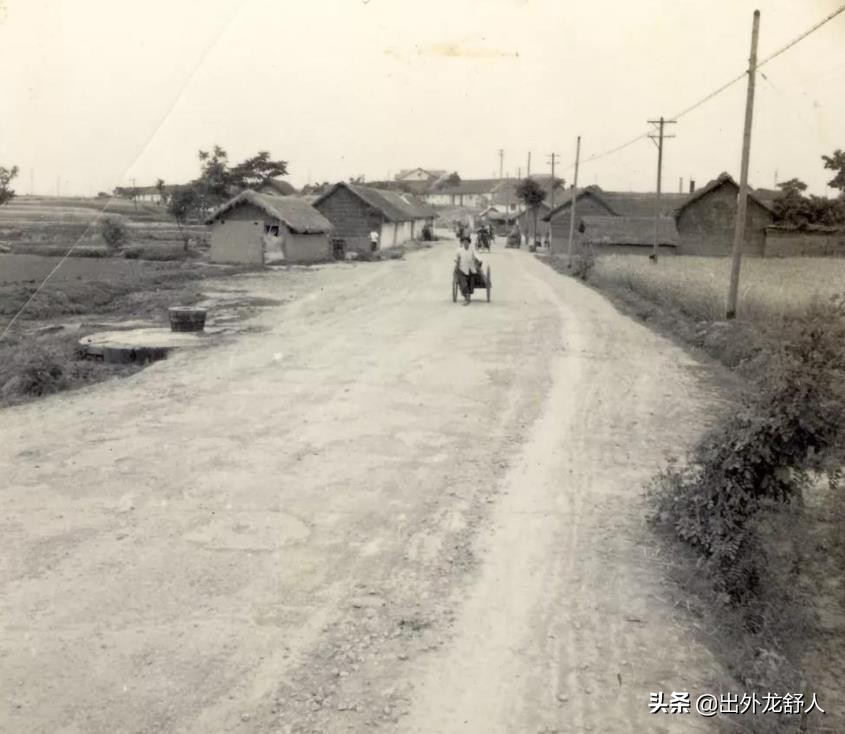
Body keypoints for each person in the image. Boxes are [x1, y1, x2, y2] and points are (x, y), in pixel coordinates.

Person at [454, 236, 480, 306]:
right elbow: (456, 259)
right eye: (464, 242)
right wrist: (457, 262)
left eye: (467, 242)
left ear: (469, 243)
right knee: (463, 282)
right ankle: (467, 297)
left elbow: (478, 257)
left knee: (471, 281)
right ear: (462, 243)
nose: (465, 243)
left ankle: (468, 295)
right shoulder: (459, 250)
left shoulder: (472, 250)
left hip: (471, 269)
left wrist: (476, 260)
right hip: (462, 269)